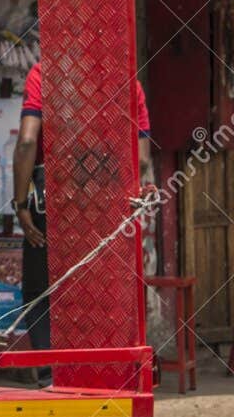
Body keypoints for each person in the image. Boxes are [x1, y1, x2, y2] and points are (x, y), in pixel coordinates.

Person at [11, 61, 152, 351]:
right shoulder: (128, 83)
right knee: (98, 287)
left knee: (41, 291)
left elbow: (27, 142)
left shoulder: (44, 73)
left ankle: (51, 376)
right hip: (108, 194)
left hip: (52, 192)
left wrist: (21, 203)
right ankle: (98, 366)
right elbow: (143, 159)